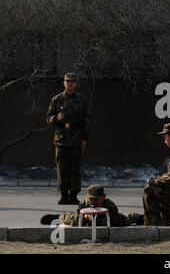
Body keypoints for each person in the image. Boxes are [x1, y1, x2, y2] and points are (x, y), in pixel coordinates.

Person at [46, 73, 90, 205]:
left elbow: (86, 121)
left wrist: (84, 138)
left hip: (76, 138)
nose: (70, 83)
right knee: (62, 167)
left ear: (76, 83)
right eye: (67, 81)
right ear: (63, 83)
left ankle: (74, 195)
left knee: (75, 168)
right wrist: (56, 118)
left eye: (72, 81)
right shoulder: (56, 99)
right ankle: (64, 195)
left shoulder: (82, 100)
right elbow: (48, 118)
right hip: (61, 139)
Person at [40, 184, 144, 226]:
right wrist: (85, 218)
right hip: (88, 219)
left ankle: (141, 217)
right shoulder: (84, 203)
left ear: (104, 197)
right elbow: (77, 219)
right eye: (91, 199)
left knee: (130, 218)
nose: (93, 202)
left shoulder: (110, 205)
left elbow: (112, 222)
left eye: (96, 199)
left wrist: (96, 218)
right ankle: (58, 216)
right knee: (71, 218)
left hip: (115, 220)